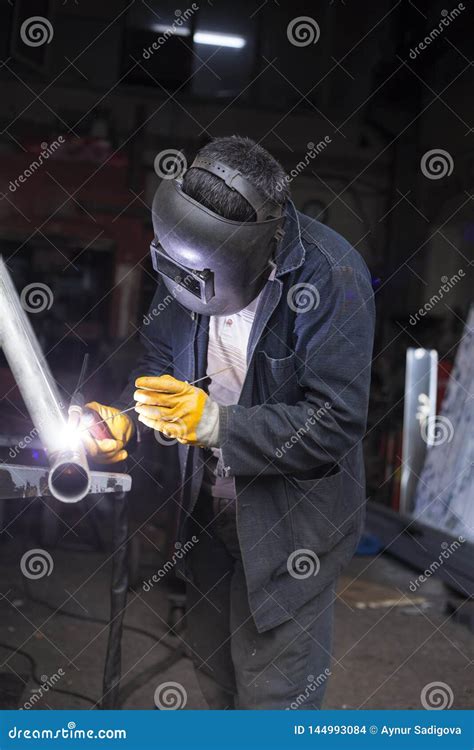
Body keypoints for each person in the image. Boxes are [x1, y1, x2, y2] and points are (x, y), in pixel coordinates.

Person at [83, 135, 375, 710]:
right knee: (217, 683)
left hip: (291, 533)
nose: (185, 280)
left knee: (272, 701)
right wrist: (124, 418)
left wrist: (217, 424)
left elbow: (335, 422)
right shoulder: (181, 257)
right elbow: (156, 368)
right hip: (206, 516)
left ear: (257, 247)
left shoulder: (331, 276)